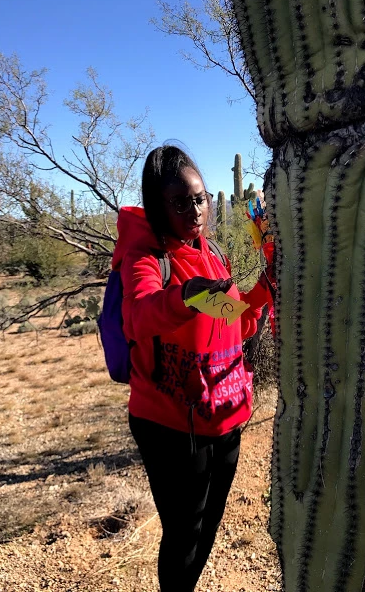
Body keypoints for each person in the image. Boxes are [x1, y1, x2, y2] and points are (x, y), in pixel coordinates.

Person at [111, 144, 273, 591]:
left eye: (199, 198)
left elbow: (234, 321)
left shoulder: (212, 253)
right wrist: (183, 296)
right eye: (179, 202)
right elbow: (140, 314)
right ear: (157, 206)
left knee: (205, 527)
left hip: (224, 412)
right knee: (183, 534)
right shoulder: (147, 258)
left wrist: (264, 287)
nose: (195, 210)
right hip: (168, 422)